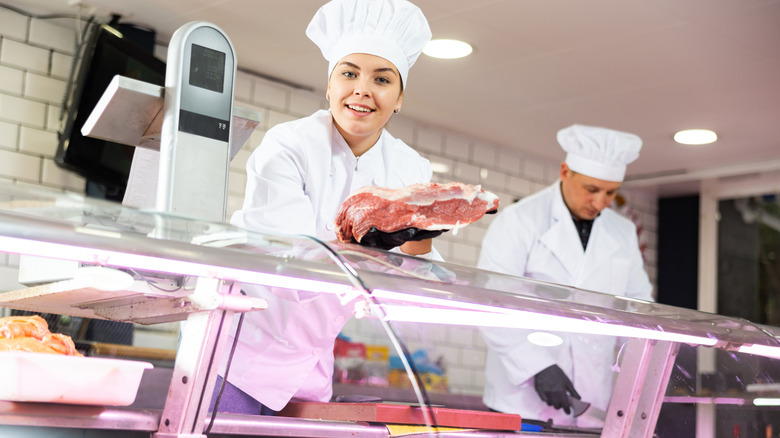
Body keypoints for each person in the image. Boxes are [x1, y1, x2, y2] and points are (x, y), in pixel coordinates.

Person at [211, 0, 437, 415]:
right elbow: (290, 262)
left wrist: (419, 237)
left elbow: (421, 277)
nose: (362, 90)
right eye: (349, 73)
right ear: (329, 85)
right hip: (243, 352)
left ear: (400, 97)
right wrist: (370, 246)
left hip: (314, 363)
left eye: (382, 79)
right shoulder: (289, 145)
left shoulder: (410, 168)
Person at [477, 124, 654, 427]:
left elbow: (638, 305)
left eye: (610, 193)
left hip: (593, 400)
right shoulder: (520, 220)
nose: (600, 202)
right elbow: (491, 303)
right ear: (564, 172)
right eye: (591, 189)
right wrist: (537, 367)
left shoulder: (622, 232)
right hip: (522, 400)